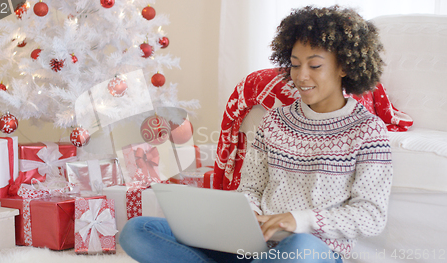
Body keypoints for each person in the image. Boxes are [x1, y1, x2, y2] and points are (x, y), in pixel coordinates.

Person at [119, 5, 392, 262]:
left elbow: (371, 215)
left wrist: (299, 220)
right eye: (295, 65)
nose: (301, 76)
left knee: (299, 247)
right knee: (137, 230)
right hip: (255, 246)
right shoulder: (275, 120)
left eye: (315, 65)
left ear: (344, 66)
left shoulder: (368, 131)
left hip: (312, 251)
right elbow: (250, 188)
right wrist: (249, 214)